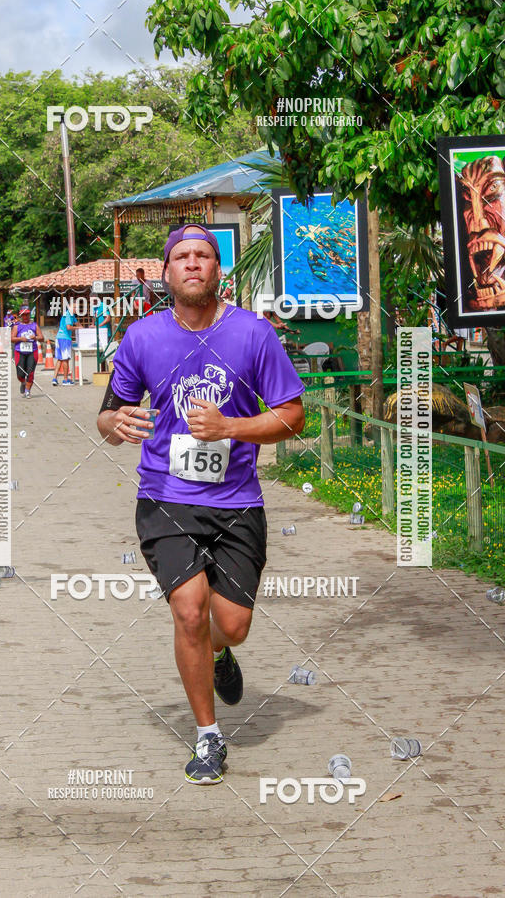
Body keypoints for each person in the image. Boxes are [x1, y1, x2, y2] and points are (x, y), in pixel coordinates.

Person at [97, 224, 304, 785]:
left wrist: (231, 426)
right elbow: (107, 416)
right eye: (182, 256)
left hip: (237, 501)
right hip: (165, 498)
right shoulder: (141, 337)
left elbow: (293, 415)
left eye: (204, 255)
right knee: (189, 609)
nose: (192, 263)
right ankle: (209, 736)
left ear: (218, 272)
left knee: (230, 625)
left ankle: (219, 653)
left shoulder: (254, 334)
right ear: (166, 273)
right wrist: (115, 423)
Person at [11, 305, 45, 398]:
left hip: (32, 351)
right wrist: (20, 338)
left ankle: (27, 391)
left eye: (27, 315)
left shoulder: (34, 325)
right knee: (20, 374)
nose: (25, 317)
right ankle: (23, 382)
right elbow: (12, 338)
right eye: (23, 315)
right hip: (19, 351)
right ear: (20, 316)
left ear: (29, 315)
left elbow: (42, 338)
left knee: (30, 373)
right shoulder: (17, 326)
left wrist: (36, 337)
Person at [53, 301, 78, 386]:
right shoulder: (68, 315)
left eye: (76, 307)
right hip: (64, 338)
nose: (76, 309)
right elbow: (69, 327)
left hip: (59, 337)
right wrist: (78, 328)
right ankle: (65, 380)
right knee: (65, 359)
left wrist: (81, 327)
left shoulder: (71, 315)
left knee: (60, 359)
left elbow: (77, 323)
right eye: (74, 307)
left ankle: (54, 378)